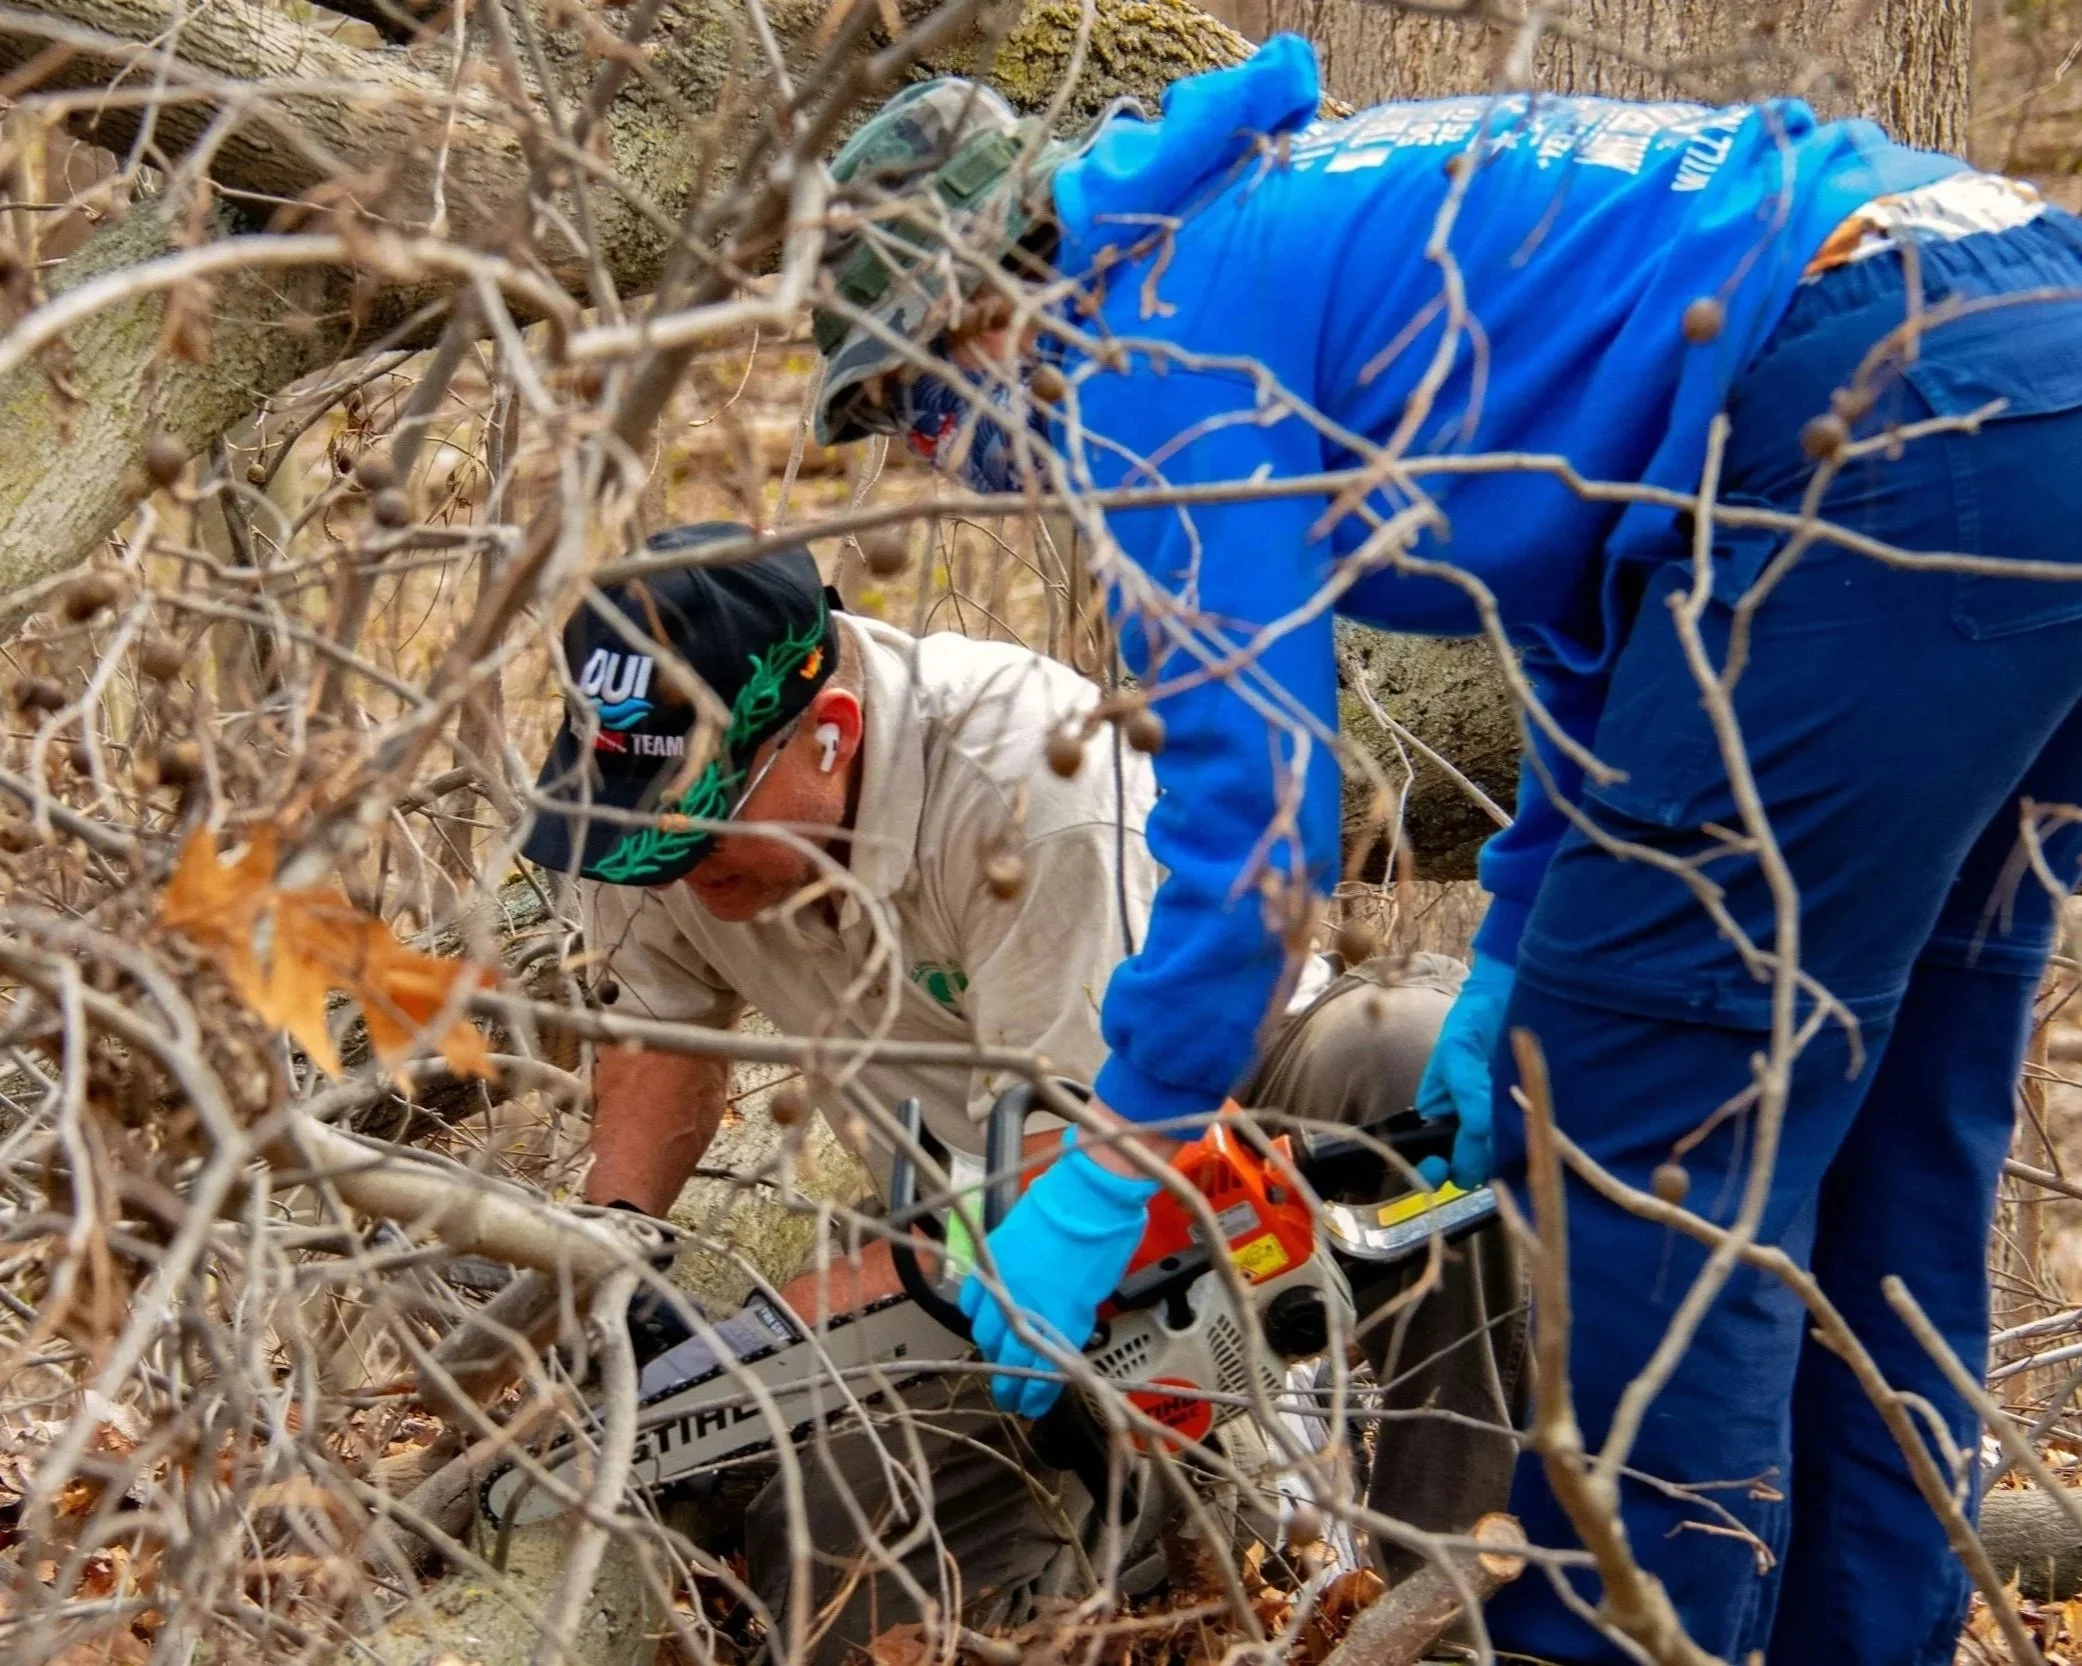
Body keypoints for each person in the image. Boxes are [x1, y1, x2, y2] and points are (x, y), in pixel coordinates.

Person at [808, 43, 2082, 1665]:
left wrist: (1118, 1159)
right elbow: (1592, 597)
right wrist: (1514, 938)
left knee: (1631, 1129)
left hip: (1868, 409)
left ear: (994, 300)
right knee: (1888, 1131)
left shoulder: (1141, 335)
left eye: (919, 398)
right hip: (2028, 350)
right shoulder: (1280, 223)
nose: (937, 452)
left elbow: (1254, 817)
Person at [519, 521, 1523, 1660]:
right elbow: (656, 1030)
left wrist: (778, 1326)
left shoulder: (1028, 777)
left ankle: (1456, 1604)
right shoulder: (654, 816)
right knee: (841, 1566)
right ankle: (1179, 1539)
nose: (671, 863)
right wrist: (616, 1248)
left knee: (1405, 1060)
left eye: (696, 830)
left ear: (830, 733)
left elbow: (1100, 1136)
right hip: (972, 1206)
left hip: (1201, 1104)